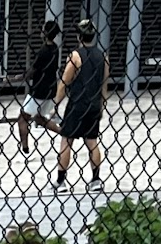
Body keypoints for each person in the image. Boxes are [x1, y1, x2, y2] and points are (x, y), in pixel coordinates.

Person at [56, 16, 108, 186]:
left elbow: (65, 82)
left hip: (77, 104)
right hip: (93, 104)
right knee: (92, 141)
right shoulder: (103, 57)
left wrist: (56, 103)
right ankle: (96, 179)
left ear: (79, 37)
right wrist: (102, 105)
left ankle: (61, 181)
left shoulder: (75, 56)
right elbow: (104, 84)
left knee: (66, 141)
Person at [19, 19, 61, 152]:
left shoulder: (43, 51)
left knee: (23, 118)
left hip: (39, 90)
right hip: (51, 89)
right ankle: (63, 132)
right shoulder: (55, 49)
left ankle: (25, 148)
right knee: (40, 118)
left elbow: (33, 69)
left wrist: (22, 76)